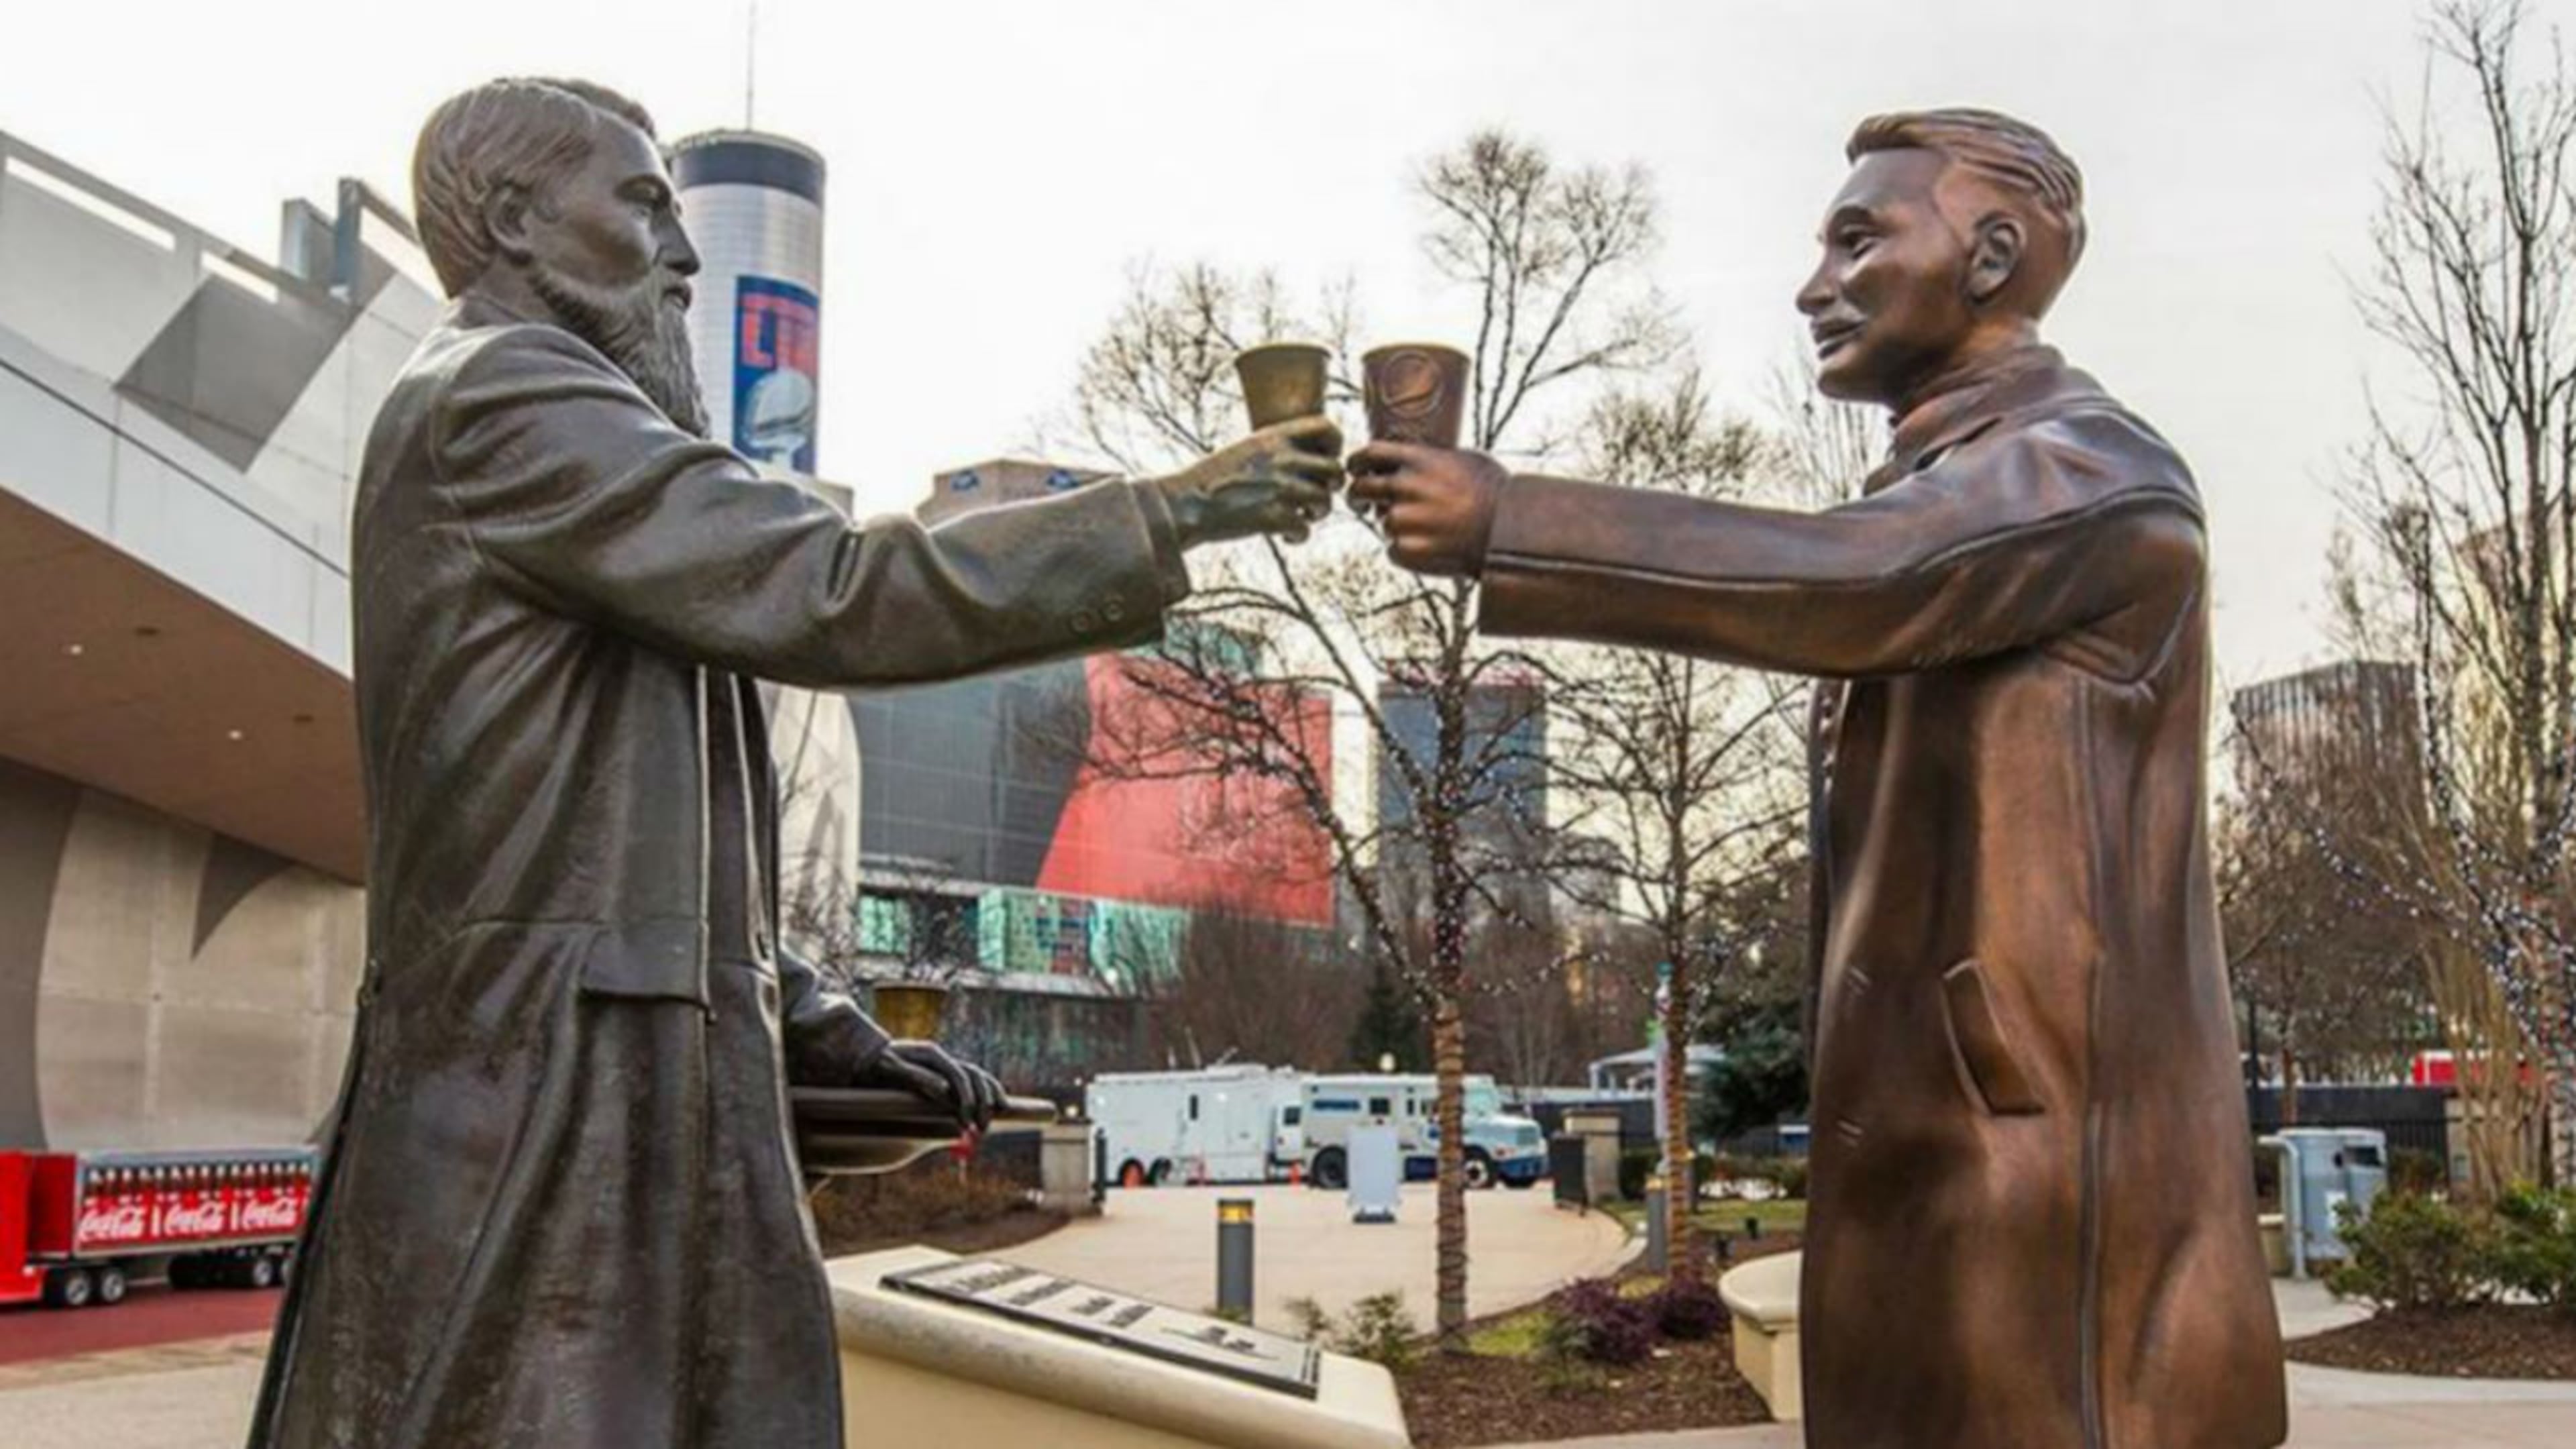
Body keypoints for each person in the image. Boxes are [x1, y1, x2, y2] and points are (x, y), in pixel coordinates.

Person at [249, 76, 1340, 1449]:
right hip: (546, 1097)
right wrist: (1177, 508)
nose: (685, 252)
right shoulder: (504, 392)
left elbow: (663, 858)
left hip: (601, 1088)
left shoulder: (569, 434)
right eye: (644, 205)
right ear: (518, 220)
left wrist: (816, 1022)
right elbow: (829, 581)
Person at [1352, 108, 2286, 1448]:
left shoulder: (2087, 471)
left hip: (2039, 1138)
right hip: (1939, 1125)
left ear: (1992, 257)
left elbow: (1858, 581)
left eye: (1860, 239)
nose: (1815, 286)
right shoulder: (1959, 479)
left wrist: (1512, 521)